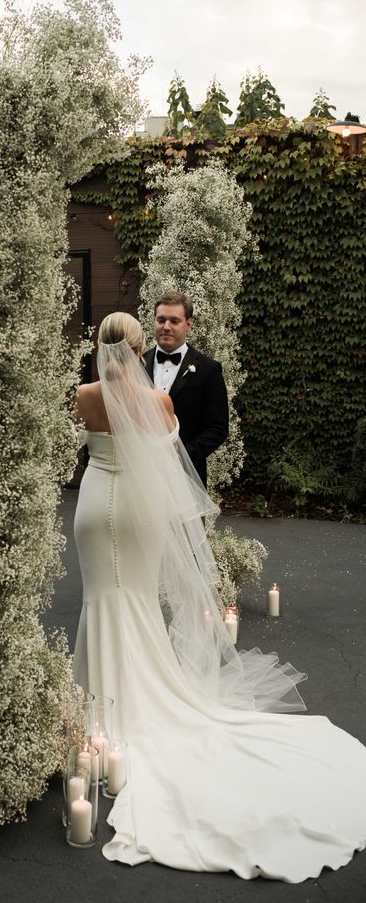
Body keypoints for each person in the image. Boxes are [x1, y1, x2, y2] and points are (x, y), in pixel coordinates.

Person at [72, 311, 366, 883]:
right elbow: (169, 463)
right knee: (133, 597)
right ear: (136, 350)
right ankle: (135, 703)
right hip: (138, 511)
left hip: (93, 505)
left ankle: (97, 709)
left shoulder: (84, 394)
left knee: (101, 599)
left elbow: (96, 444)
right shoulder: (157, 403)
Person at [143, 290, 228, 486]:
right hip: (142, 477)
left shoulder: (208, 369)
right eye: (161, 320)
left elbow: (218, 428)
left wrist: (182, 456)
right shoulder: (137, 364)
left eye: (174, 321)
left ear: (188, 323)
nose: (166, 327)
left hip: (187, 478)